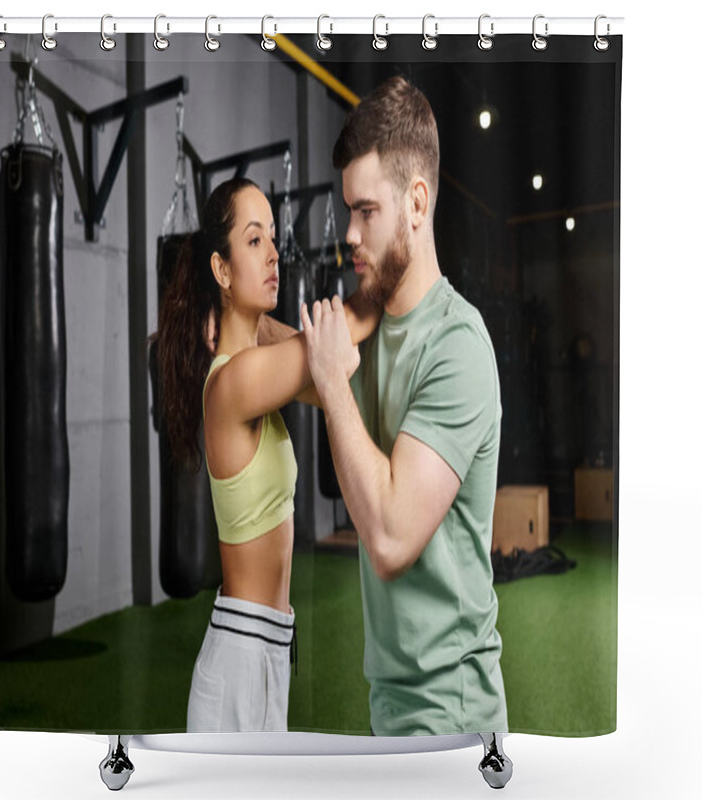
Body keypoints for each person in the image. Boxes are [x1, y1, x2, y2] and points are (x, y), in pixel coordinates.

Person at [301, 76, 508, 736]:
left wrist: (334, 385)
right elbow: (296, 358)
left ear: (416, 203)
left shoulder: (458, 345)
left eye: (367, 212)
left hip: (451, 708)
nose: (350, 235)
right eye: (348, 212)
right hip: (390, 699)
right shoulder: (368, 324)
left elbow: (390, 538)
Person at [155, 177, 374, 732]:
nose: (275, 253)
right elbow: (342, 335)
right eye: (254, 241)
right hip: (239, 660)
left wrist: (243, 323)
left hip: (268, 649)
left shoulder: (252, 369)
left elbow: (327, 376)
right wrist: (393, 258)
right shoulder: (236, 382)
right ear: (221, 270)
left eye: (273, 238)